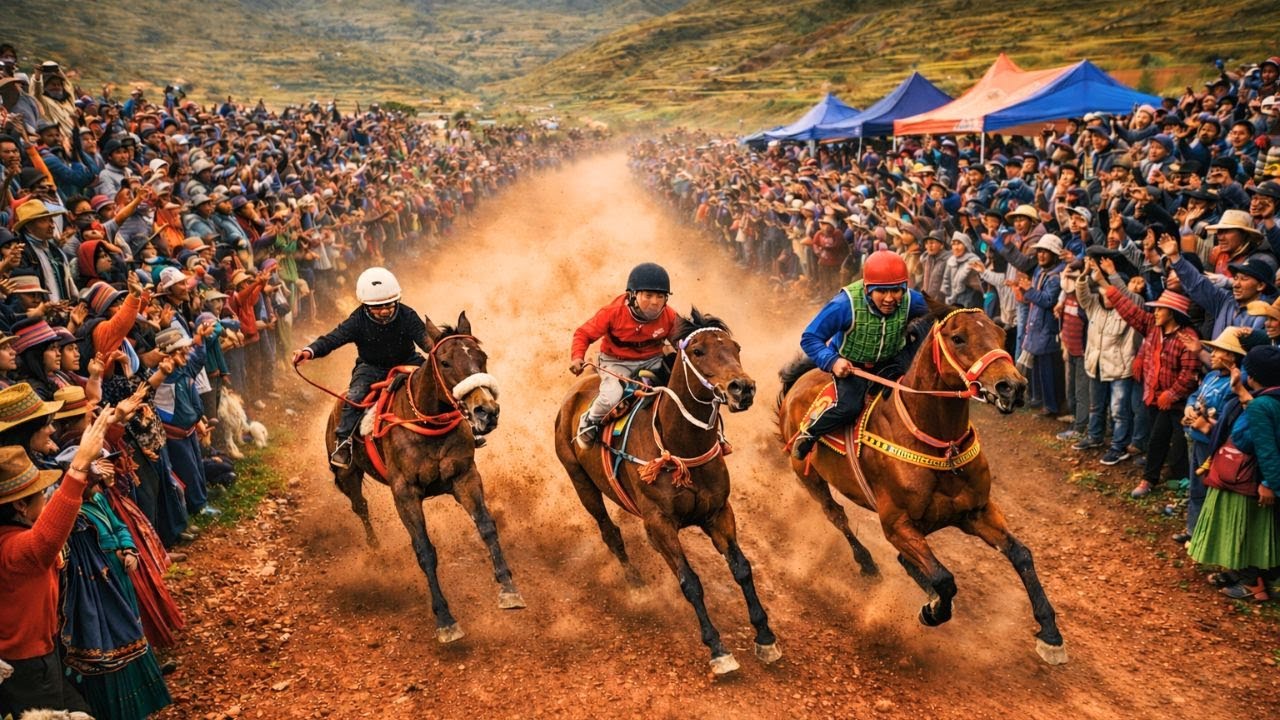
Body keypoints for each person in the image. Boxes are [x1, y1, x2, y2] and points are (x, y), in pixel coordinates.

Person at [0, 402, 113, 717]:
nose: (46, 499)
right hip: (29, 665)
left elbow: (49, 521)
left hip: (31, 658)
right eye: (39, 495)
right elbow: (50, 534)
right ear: (21, 506)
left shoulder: (11, 535)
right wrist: (78, 467)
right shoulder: (18, 549)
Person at [792, 250, 929, 459]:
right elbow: (810, 337)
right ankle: (810, 433)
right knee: (849, 407)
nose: (890, 298)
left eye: (896, 290)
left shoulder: (912, 300)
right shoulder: (843, 305)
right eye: (882, 291)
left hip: (893, 361)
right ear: (867, 289)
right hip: (853, 367)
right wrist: (833, 361)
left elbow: (939, 314)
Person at [291, 267, 429, 468]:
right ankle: (343, 442)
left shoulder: (407, 315)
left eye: (389, 305)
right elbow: (333, 339)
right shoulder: (357, 320)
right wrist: (309, 351)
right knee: (354, 397)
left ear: (396, 301)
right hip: (370, 368)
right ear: (365, 305)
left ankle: (467, 424)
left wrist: (439, 349)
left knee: (437, 379)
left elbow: (426, 341)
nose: (384, 310)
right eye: (377, 306)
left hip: (409, 362)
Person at [569, 262, 677, 449]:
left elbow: (684, 340)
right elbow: (583, 334)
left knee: (681, 390)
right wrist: (577, 357)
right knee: (611, 397)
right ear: (633, 295)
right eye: (648, 295)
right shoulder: (612, 313)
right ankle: (589, 421)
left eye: (660, 296)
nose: (654, 302)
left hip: (653, 361)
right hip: (616, 362)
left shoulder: (670, 316)